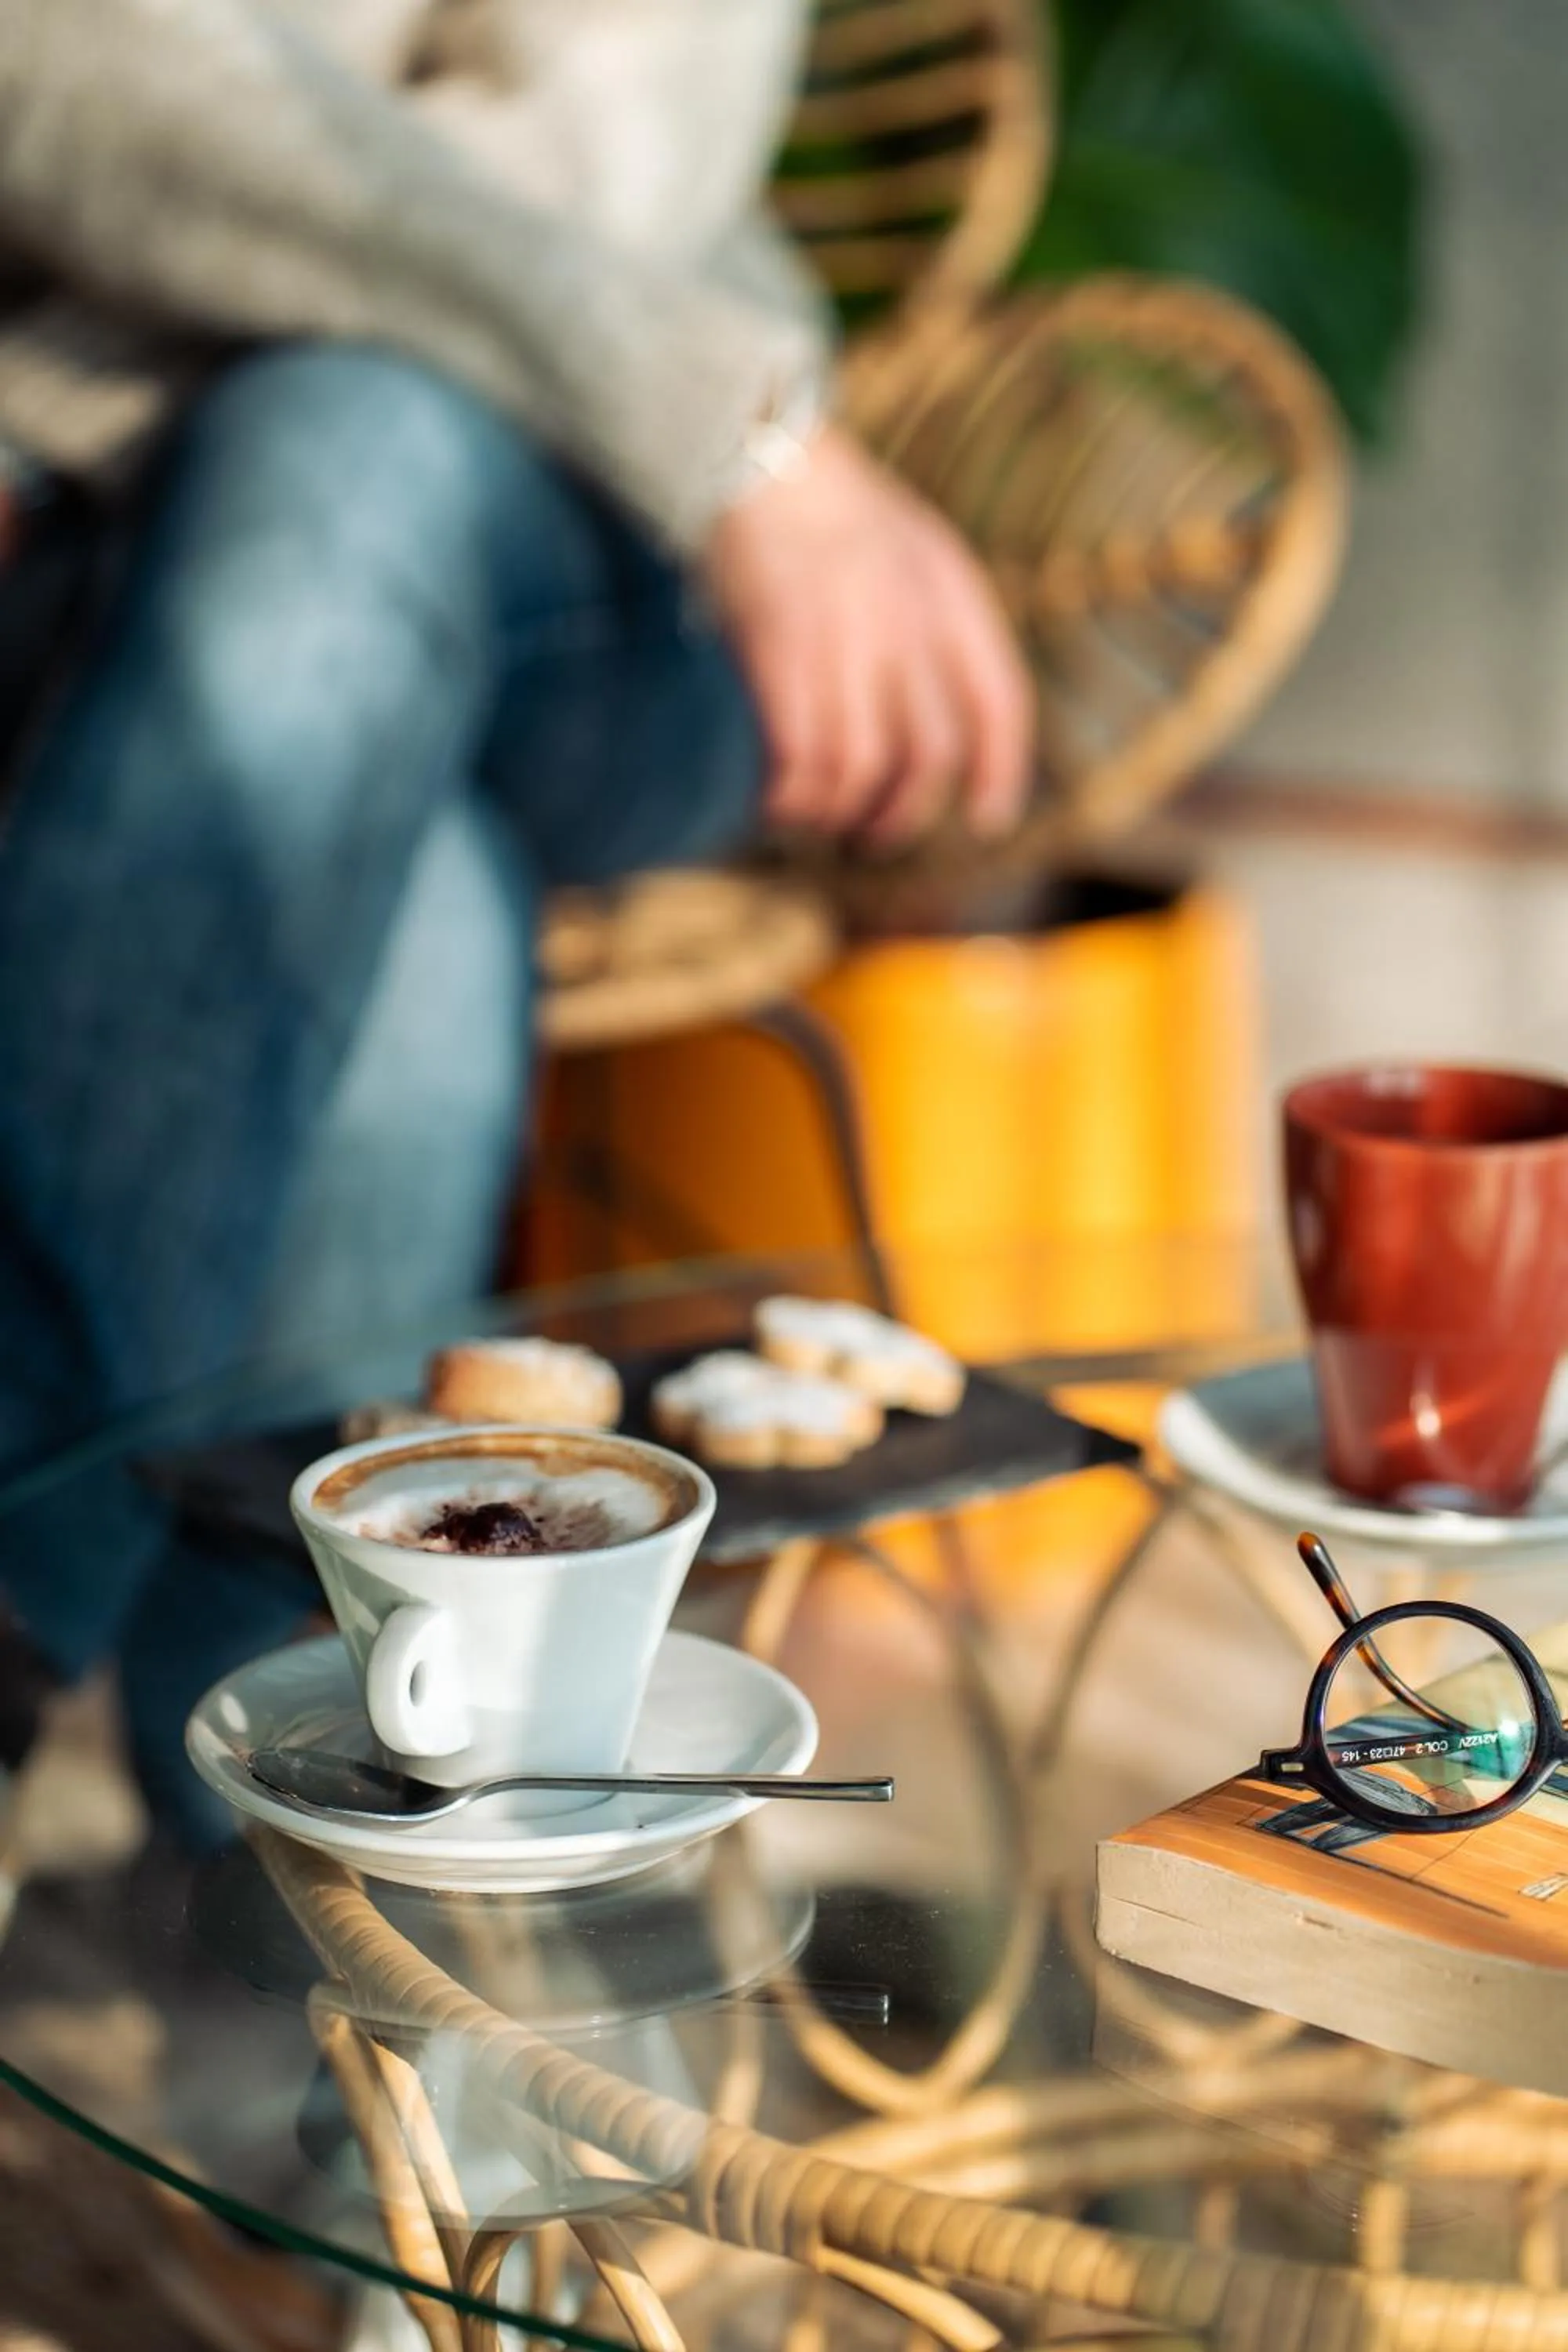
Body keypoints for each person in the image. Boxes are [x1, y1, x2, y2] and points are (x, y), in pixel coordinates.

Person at [0, 0, 1034, 1845]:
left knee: (335, 451)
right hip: (123, 559)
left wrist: (171, 240)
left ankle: (17, 1564)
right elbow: (63, 78)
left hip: (599, 528)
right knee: (399, 875)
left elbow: (614, 160)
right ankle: (307, 1938)